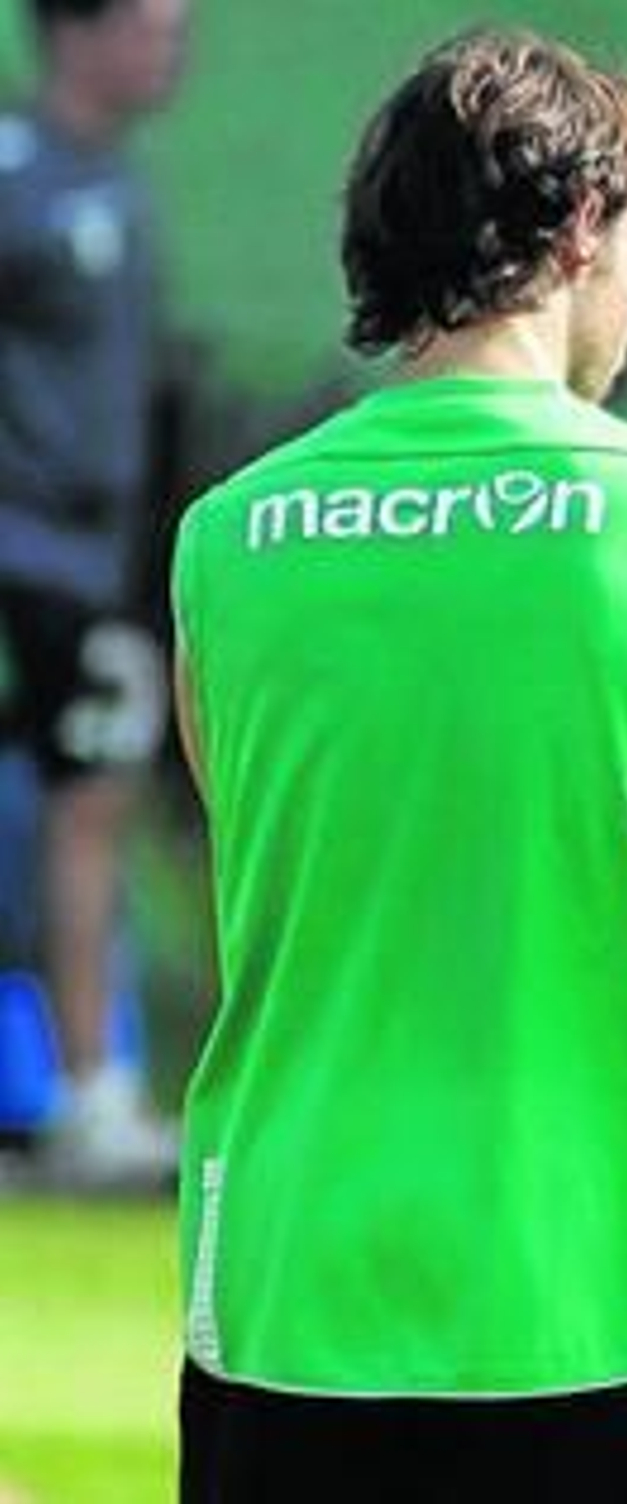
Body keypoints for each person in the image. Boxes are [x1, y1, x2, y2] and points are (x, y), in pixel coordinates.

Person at [168, 26, 627, 1503]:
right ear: (586, 227)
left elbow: (281, 875)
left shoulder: (226, 538)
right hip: (589, 1296)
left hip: (282, 1287)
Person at [0, 0, 191, 1190]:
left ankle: (92, 1097)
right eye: (151, 22)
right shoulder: (17, 178)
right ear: (75, 30)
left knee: (93, 803)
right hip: (20, 550)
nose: (173, 44)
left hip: (95, 561)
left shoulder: (115, 182)